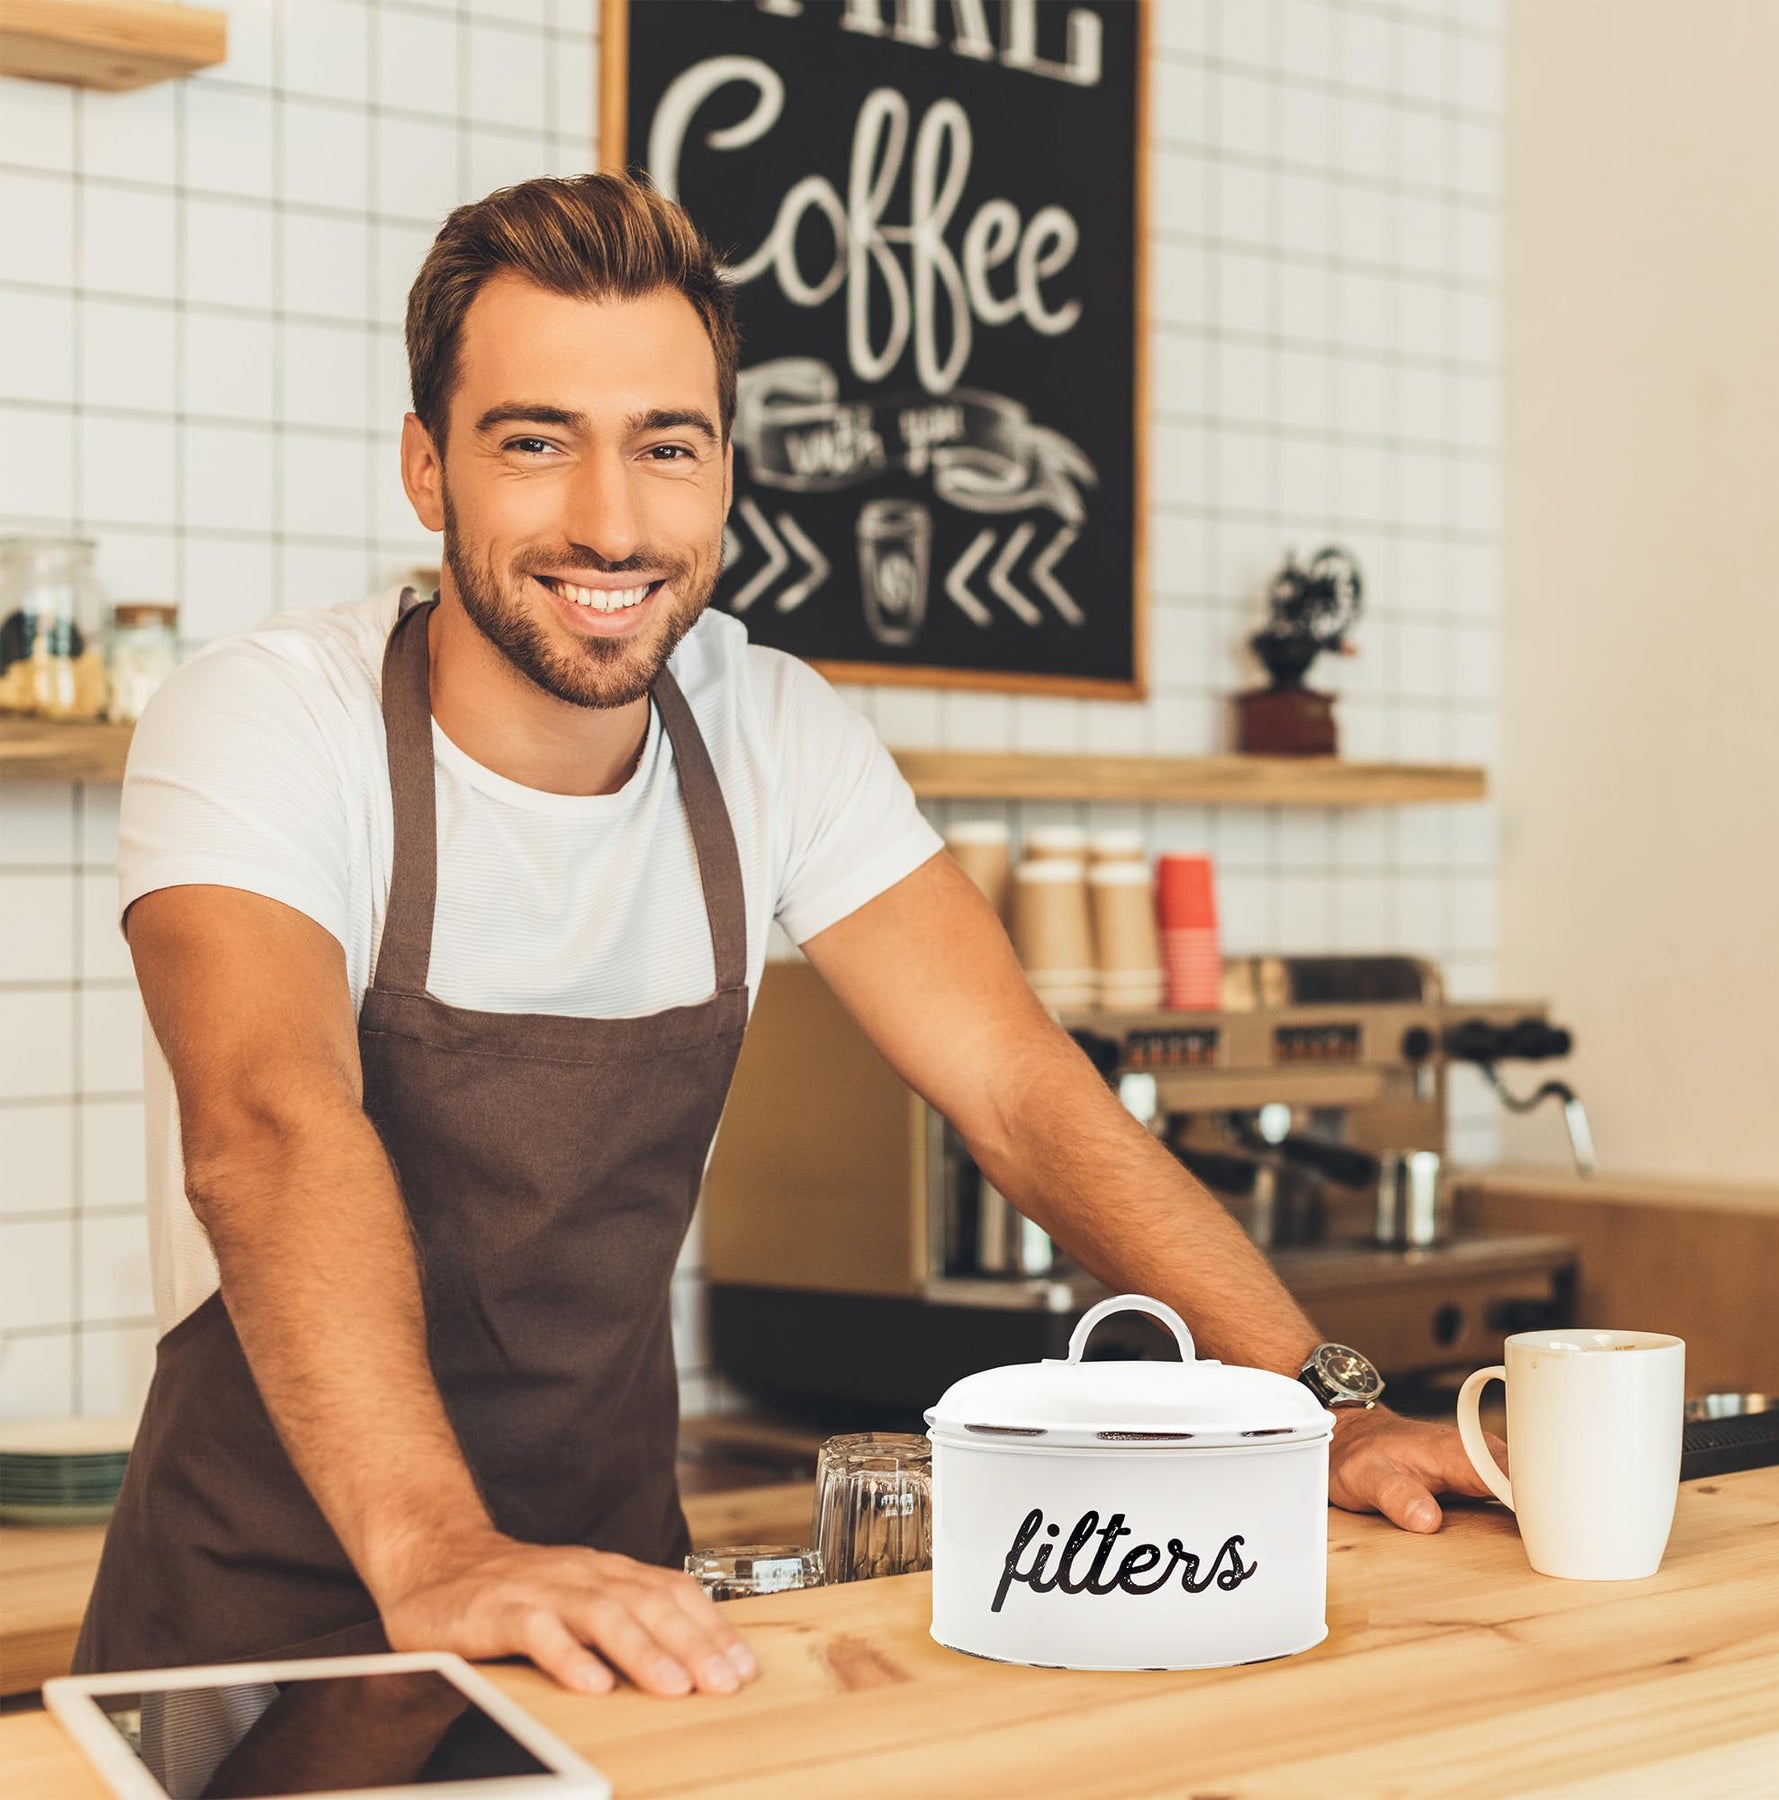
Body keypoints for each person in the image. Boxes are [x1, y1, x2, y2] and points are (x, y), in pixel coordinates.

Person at [76, 174, 1501, 1700]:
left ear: (728, 473)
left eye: (665, 448)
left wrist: (1317, 1406)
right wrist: (436, 1550)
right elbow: (270, 1124)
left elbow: (1022, 1090)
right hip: (259, 1635)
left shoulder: (769, 734)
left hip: (619, 1619)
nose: (609, 521)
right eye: (535, 441)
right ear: (428, 470)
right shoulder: (264, 719)